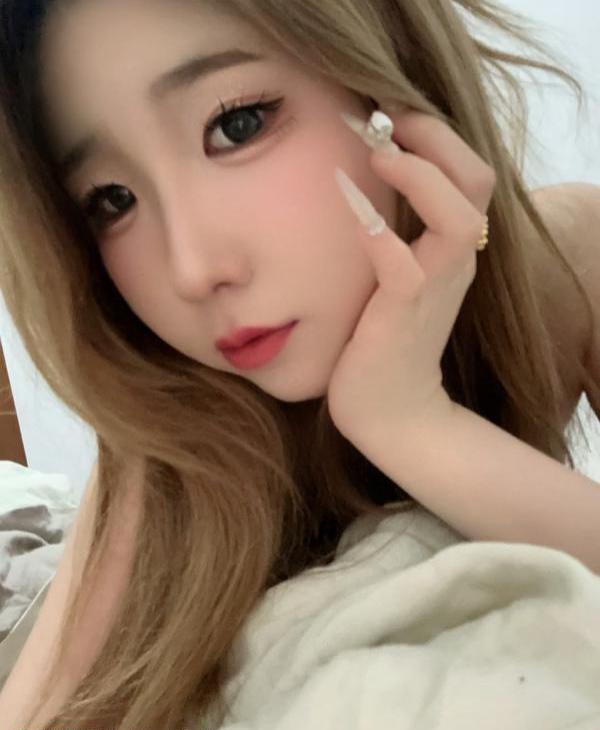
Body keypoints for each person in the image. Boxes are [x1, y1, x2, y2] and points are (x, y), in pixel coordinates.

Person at [0, 0, 598, 728]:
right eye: (111, 200)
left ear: (389, 84)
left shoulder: (573, 260)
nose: (192, 269)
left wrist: (407, 419)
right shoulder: (166, 457)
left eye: (237, 125)